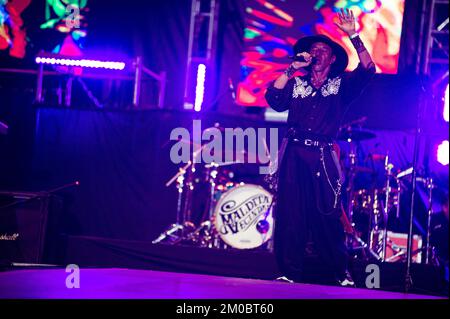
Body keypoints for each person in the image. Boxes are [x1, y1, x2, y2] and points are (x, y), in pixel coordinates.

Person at [265, 9, 375, 286]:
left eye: (322, 50)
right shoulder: (297, 83)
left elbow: (368, 69)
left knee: (327, 213)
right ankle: (289, 273)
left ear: (332, 57)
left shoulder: (341, 86)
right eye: (313, 50)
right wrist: (291, 69)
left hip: (323, 156)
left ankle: (339, 273)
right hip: (294, 154)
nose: (316, 53)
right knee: (290, 213)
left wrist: (353, 35)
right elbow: (274, 97)